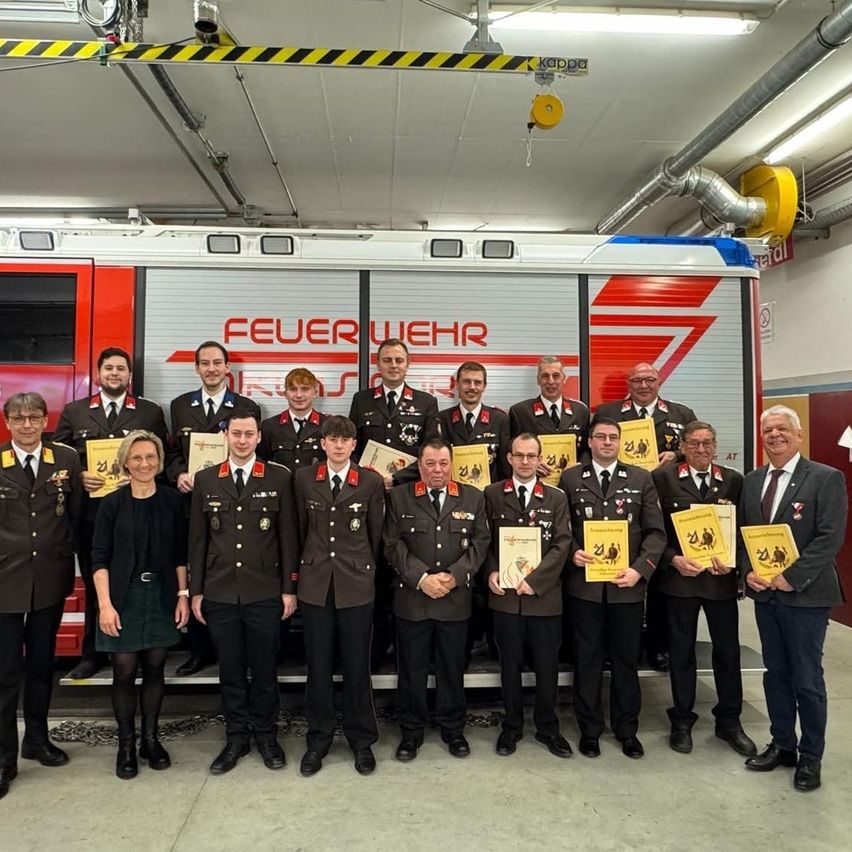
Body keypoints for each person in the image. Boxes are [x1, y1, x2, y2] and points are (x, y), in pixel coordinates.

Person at [740, 405, 847, 792]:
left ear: (798, 435)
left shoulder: (825, 478)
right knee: (776, 674)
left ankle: (810, 757)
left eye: (782, 429)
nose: (774, 435)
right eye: (768, 430)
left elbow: (830, 537)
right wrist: (746, 572)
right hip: (766, 595)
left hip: (806, 596)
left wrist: (791, 577)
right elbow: (744, 535)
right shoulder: (752, 481)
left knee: (807, 678)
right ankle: (783, 743)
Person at [189, 410, 299, 775]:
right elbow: (198, 541)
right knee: (231, 671)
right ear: (226, 437)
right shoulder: (207, 479)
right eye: (236, 434)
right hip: (220, 591)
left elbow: (287, 538)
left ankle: (267, 736)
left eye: (248, 434)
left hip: (264, 591)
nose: (242, 440)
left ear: (258, 438)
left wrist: (288, 589)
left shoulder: (279, 477)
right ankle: (236, 737)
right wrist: (196, 591)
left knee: (265, 670)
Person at [53, 347, 169, 681]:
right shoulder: (75, 412)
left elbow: (161, 461)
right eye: (109, 368)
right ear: (99, 373)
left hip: (138, 514)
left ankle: (145, 645)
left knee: (140, 581)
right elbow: (59, 460)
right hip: (93, 515)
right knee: (96, 584)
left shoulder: (149, 412)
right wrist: (79, 476)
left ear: (129, 375)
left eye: (121, 368)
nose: (114, 373)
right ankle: (93, 653)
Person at [559, 416, 665, 759]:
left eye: (613, 438)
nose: (607, 442)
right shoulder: (571, 477)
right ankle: (589, 730)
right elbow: (562, 527)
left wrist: (639, 571)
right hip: (584, 589)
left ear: (620, 442)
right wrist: (572, 551)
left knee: (625, 662)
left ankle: (627, 730)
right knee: (586, 661)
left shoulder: (640, 478)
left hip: (626, 588)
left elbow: (655, 534)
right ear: (589, 441)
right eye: (600, 437)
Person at [651, 421, 756, 757]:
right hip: (679, 581)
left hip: (720, 582)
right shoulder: (663, 478)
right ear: (682, 446)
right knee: (680, 654)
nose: (701, 450)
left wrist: (737, 565)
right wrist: (672, 559)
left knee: (728, 653)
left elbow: (742, 531)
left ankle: (730, 721)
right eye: (694, 444)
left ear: (715, 446)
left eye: (707, 443)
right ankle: (681, 720)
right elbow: (653, 531)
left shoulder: (734, 481)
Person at [90, 431, 190, 779]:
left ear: (159, 461)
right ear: (125, 463)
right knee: (123, 671)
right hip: (123, 598)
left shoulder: (172, 502)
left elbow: (180, 554)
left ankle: (150, 740)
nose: (144, 463)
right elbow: (99, 558)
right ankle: (126, 746)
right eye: (137, 458)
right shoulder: (111, 504)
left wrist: (182, 595)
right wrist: (105, 605)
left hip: (161, 595)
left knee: (155, 670)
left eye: (150, 457)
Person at [383, 439, 489, 761]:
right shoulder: (400, 497)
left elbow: (481, 544)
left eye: (443, 463)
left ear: (452, 464)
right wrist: (421, 579)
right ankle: (411, 732)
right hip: (413, 599)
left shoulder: (472, 497)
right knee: (411, 669)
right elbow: (391, 543)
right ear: (420, 464)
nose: (437, 470)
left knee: (451, 668)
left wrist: (454, 576)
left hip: (454, 600)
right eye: (430, 463)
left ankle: (452, 729)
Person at [0, 392, 82, 800]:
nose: (28, 424)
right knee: (4, 674)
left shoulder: (64, 460)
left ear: (44, 419)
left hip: (50, 579)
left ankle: (37, 738)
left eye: (34, 417)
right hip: (5, 584)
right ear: (8, 422)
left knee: (42, 666)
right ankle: (4, 759)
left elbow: (77, 515)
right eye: (19, 418)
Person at [293, 416, 385, 777]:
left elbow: (375, 536)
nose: (338, 445)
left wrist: (365, 572)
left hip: (355, 584)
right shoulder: (304, 479)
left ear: (353, 445)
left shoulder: (370, 482)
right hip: (316, 584)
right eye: (332, 439)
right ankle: (318, 740)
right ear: (323, 443)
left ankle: (362, 741)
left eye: (345, 440)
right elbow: (298, 529)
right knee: (317, 666)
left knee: (356, 666)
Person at [595, 362, 698, 673]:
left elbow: (695, 446)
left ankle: (657, 646)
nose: (643, 385)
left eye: (649, 380)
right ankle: (613, 647)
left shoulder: (682, 414)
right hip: (618, 504)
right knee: (615, 576)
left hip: (667, 502)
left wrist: (677, 455)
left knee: (659, 576)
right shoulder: (609, 412)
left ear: (659, 381)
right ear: (629, 383)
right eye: (637, 380)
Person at [167, 340, 261, 676]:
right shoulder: (180, 406)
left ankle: (240, 651)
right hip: (193, 502)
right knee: (198, 569)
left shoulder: (247, 405)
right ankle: (199, 649)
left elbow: (249, 454)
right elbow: (173, 451)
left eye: (217, 363)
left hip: (236, 505)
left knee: (233, 571)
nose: (211, 368)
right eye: (204, 363)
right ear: (196, 368)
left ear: (227, 369)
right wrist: (178, 473)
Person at [484, 433, 572, 758]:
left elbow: (562, 544)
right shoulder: (492, 494)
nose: (524, 461)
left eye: (531, 456)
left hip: (543, 598)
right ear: (509, 458)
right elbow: (484, 541)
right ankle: (511, 727)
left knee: (547, 667)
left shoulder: (556, 497)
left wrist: (536, 580)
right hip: (505, 597)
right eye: (519, 455)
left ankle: (548, 728)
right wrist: (491, 571)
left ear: (539, 459)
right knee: (509, 667)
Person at [437, 361, 510, 661]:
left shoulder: (499, 419)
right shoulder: (442, 419)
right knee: (462, 575)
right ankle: (463, 647)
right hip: (453, 509)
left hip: (490, 507)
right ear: (457, 385)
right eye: (466, 381)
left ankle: (492, 644)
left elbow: (505, 468)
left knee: (490, 576)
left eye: (477, 382)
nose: (471, 387)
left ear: (484, 386)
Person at [348, 337, 439, 488]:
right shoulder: (361, 400)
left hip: (410, 487)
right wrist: (366, 477)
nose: (394, 365)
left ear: (408, 364)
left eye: (399, 360)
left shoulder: (426, 402)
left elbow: (431, 452)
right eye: (387, 360)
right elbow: (352, 447)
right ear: (378, 365)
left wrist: (396, 478)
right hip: (369, 487)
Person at [508, 355, 590, 471]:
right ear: (538, 380)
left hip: (571, 481)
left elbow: (588, 449)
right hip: (535, 482)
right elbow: (511, 451)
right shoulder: (520, 412)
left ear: (564, 378)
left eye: (556, 376)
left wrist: (581, 466)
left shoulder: (580, 411)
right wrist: (530, 465)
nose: (551, 381)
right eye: (545, 376)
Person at [259, 367, 328, 471]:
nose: (299, 395)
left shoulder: (327, 425)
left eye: (305, 389)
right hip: (280, 487)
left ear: (315, 393)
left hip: (316, 487)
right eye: (293, 389)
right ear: (285, 394)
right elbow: (261, 464)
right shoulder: (269, 426)